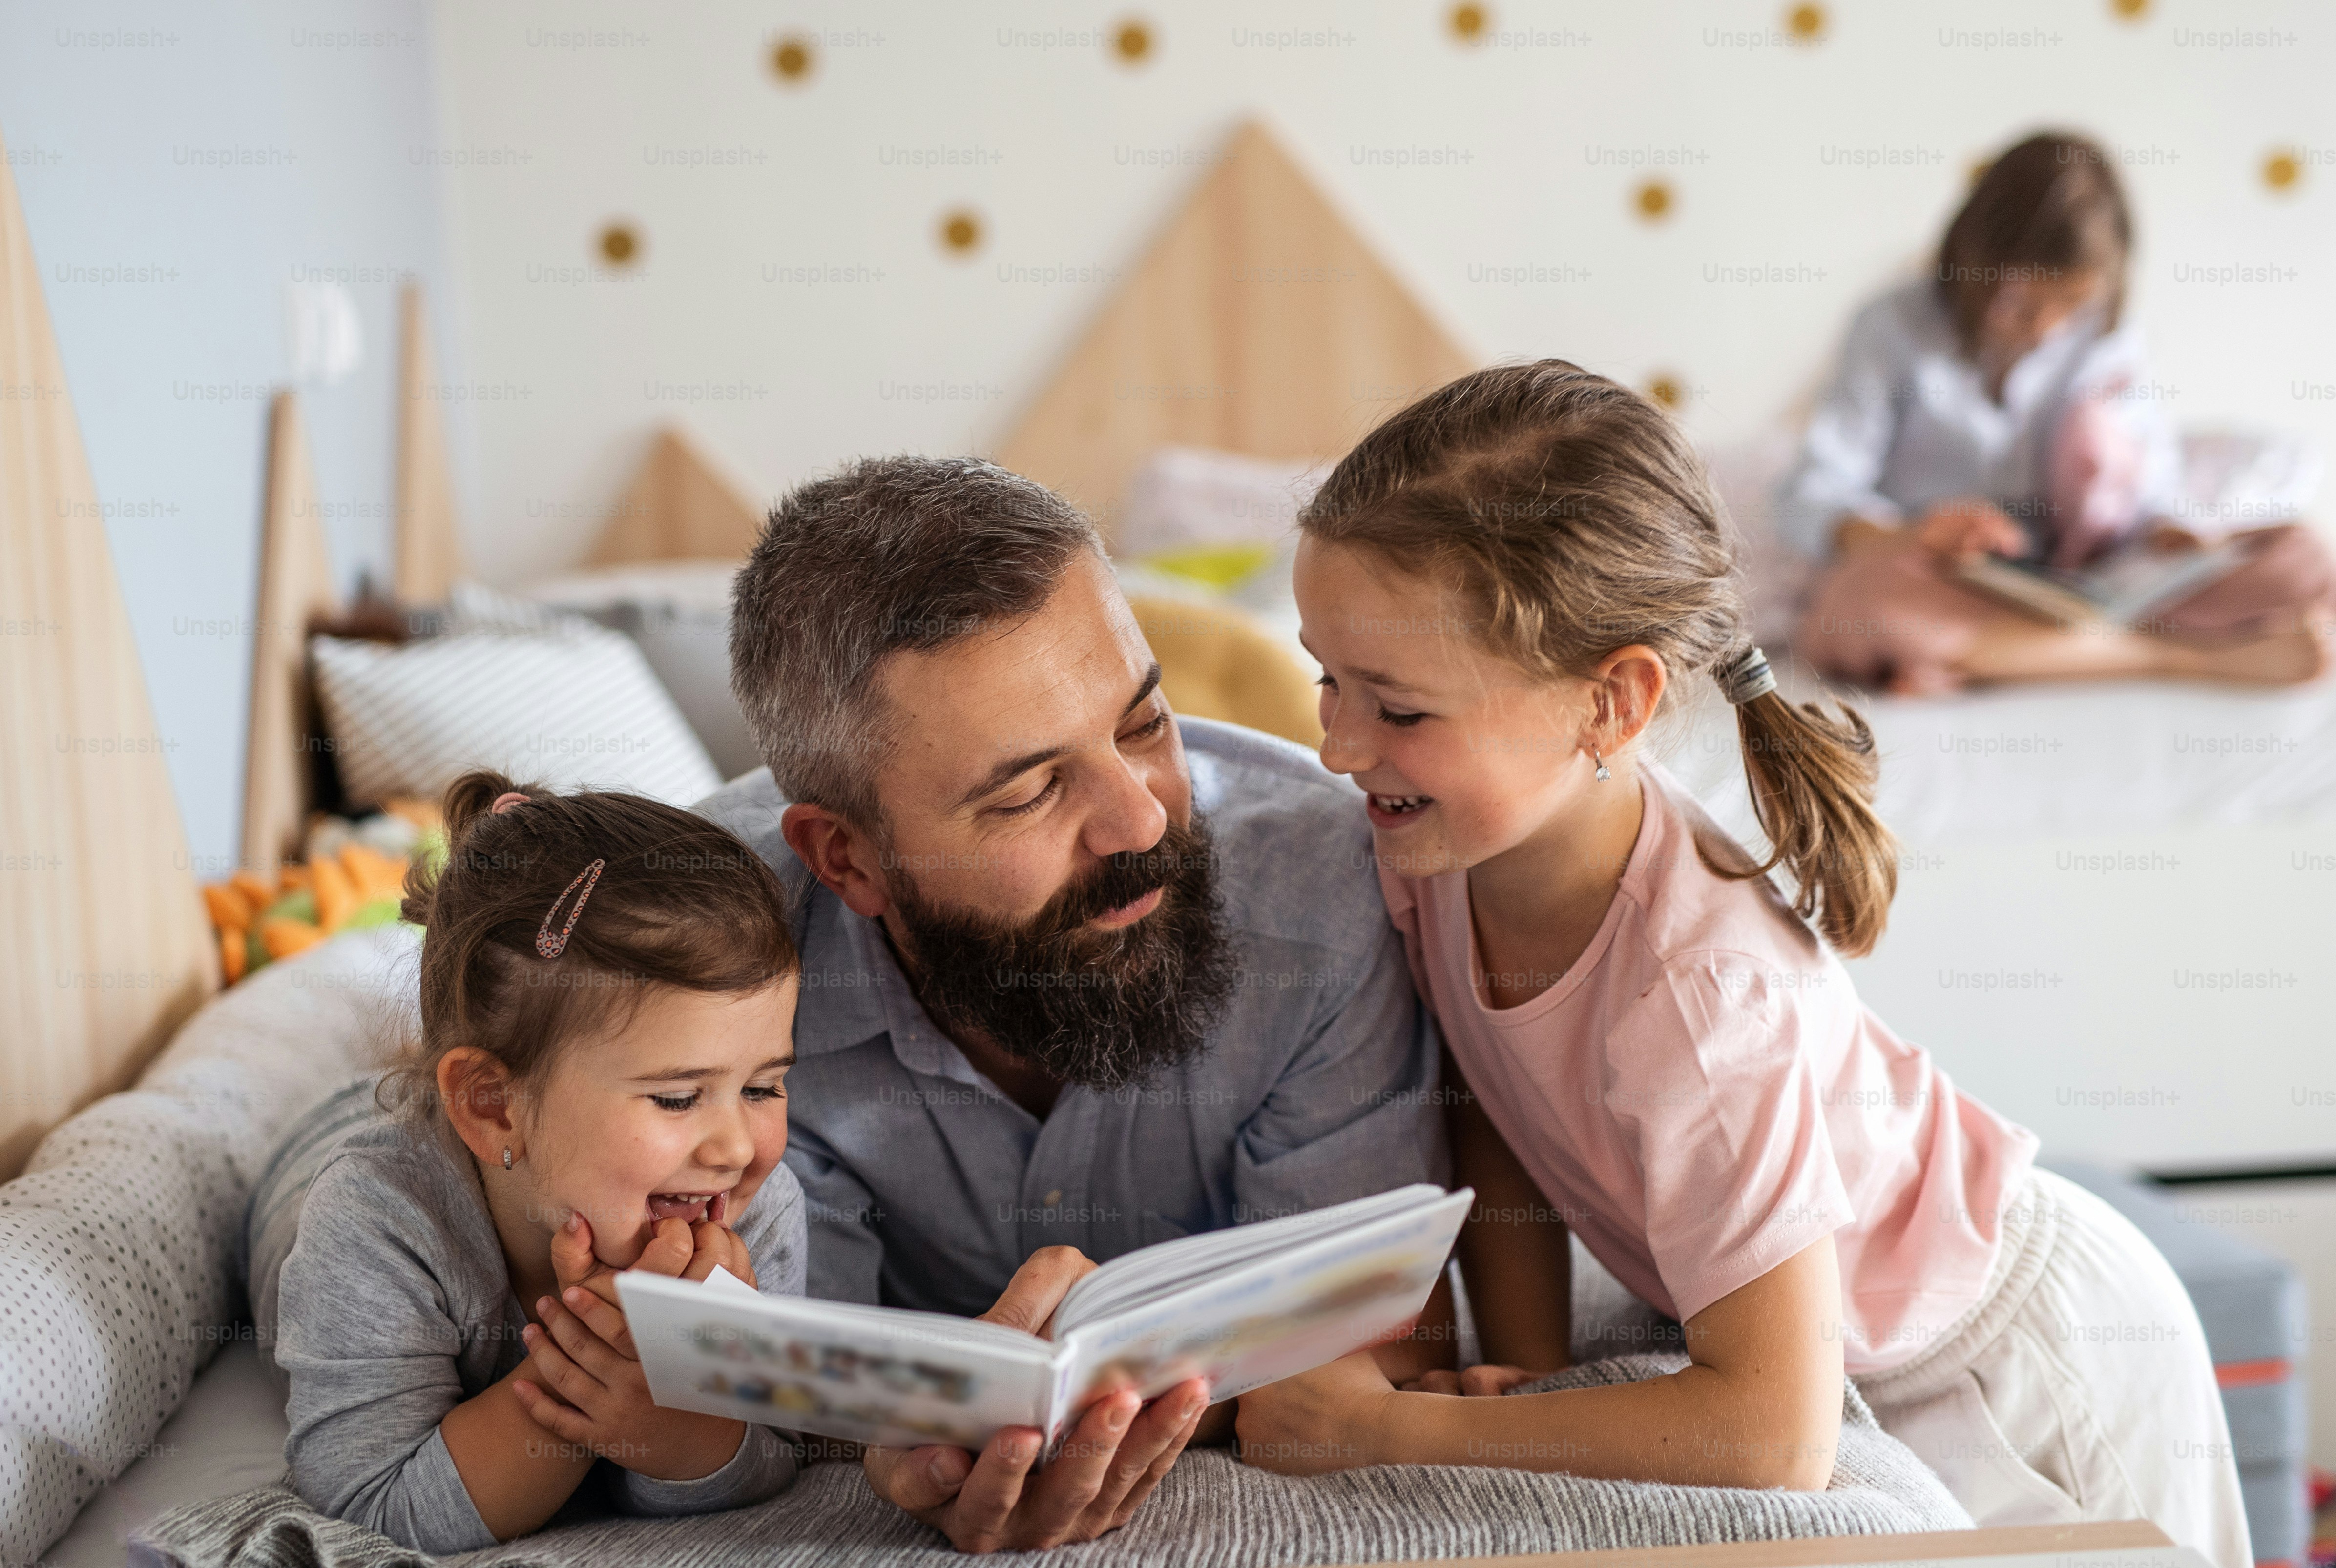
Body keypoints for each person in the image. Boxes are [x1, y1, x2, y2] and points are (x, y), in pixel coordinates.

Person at [1232, 361, 2252, 1568]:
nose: (1337, 746)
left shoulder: (1698, 996)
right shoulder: (1437, 853)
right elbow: (1497, 1096)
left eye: (1397, 709)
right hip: (1871, 1343)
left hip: (2016, 1359)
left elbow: (1773, 1436)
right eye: (1325, 680)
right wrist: (1531, 1365)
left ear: (1609, 704)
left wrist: (1391, 1429)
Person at [702, 454, 1452, 1552]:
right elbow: (768, 1378)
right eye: (1028, 790)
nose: (1139, 823)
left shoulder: (1326, 888)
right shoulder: (704, 967)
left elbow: (1383, 1331)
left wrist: (1107, 1402)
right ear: (846, 858)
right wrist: (907, 1437)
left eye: (1144, 725)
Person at [252, 772, 808, 1554]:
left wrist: (677, 1417)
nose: (738, 1148)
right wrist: (586, 1369)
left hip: (482, 1118)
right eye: (679, 1099)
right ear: (494, 1106)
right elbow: (373, 1509)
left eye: (763, 1086)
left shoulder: (759, 1208)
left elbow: (781, 1450)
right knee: (349, 1098)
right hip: (312, 1156)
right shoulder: (374, 1222)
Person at [1778, 129, 2333, 693]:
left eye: (2069, 305)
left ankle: (1997, 657)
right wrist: (1910, 535)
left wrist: (2175, 536)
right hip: (1945, 580)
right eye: (2019, 304)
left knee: (2302, 556)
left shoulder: (2108, 339)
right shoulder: (1890, 328)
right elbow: (1810, 495)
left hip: (2089, 581)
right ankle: (2191, 659)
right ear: (1973, 263)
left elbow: (2151, 477)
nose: (2045, 328)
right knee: (1864, 603)